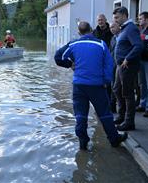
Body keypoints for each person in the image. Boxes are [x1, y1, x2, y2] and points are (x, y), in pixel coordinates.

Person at [54, 21, 128, 150]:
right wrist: (106, 81)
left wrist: (69, 64)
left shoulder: (73, 44)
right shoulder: (101, 44)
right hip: (97, 85)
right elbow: (109, 65)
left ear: (79, 32)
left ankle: (83, 142)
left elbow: (58, 57)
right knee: (105, 114)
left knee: (80, 115)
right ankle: (114, 139)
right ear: (92, 30)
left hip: (79, 85)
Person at [112, 7, 143, 131]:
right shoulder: (124, 28)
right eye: (114, 17)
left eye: (117, 17)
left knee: (127, 93)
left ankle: (129, 122)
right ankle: (121, 116)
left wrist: (127, 58)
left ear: (124, 15)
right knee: (117, 90)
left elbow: (138, 46)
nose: (115, 20)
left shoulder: (131, 28)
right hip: (120, 66)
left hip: (128, 66)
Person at [109, 22, 121, 114]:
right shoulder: (113, 38)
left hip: (121, 65)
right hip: (113, 65)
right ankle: (113, 106)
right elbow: (110, 51)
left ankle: (121, 109)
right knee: (113, 86)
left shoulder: (122, 37)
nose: (111, 29)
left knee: (118, 88)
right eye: (110, 27)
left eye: (113, 27)